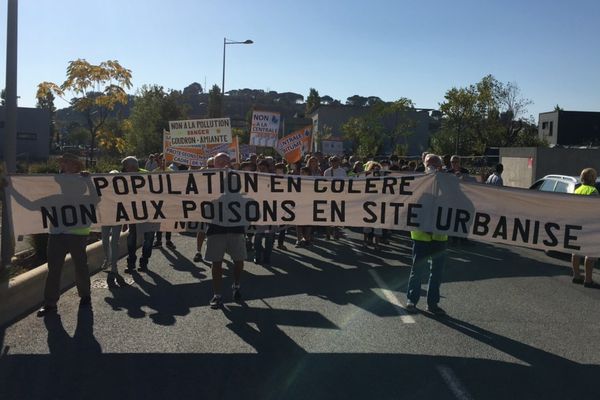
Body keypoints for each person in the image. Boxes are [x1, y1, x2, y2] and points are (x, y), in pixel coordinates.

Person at [37, 153, 92, 316]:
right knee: (53, 268)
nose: (63, 165)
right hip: (57, 232)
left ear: (75, 166)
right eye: (62, 163)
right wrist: (10, 186)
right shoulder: (55, 180)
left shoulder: (83, 179)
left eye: (67, 162)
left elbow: (96, 199)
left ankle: (85, 296)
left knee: (80, 266)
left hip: (77, 232)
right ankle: (50, 303)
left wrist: (89, 181)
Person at [405, 154, 448, 315]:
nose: (431, 167)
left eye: (435, 164)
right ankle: (411, 300)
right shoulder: (417, 182)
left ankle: (432, 304)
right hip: (421, 235)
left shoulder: (448, 183)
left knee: (436, 273)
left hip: (439, 236)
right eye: (429, 164)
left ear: (441, 167)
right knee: (417, 271)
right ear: (423, 165)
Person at [205, 153, 247, 308]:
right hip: (216, 228)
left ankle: (236, 284)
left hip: (236, 227)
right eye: (219, 161)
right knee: (216, 263)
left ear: (230, 163)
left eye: (225, 160)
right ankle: (217, 295)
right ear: (214, 164)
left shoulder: (238, 178)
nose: (222, 163)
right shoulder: (206, 180)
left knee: (239, 261)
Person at [121, 156, 155, 273]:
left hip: (149, 212)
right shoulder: (123, 178)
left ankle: (144, 262)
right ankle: (131, 263)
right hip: (132, 212)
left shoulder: (147, 175)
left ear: (133, 167)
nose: (125, 170)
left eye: (127, 167)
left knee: (149, 238)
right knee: (131, 238)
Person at [571, 168, 600, 289]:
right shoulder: (593, 191)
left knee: (576, 252)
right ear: (593, 178)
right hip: (589, 226)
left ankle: (576, 276)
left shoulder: (577, 190)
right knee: (590, 253)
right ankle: (588, 280)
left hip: (576, 224)